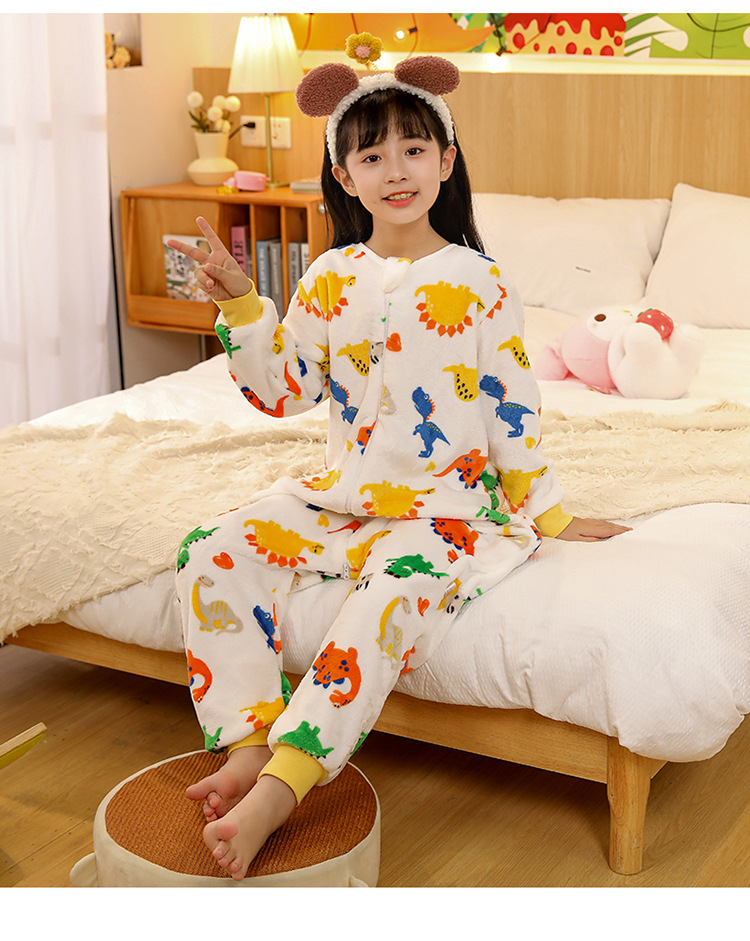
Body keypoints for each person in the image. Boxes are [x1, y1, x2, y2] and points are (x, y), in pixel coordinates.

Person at [169, 45, 630, 881]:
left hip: (447, 515)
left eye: (413, 149)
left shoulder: (481, 283)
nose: (395, 170)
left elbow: (512, 407)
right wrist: (242, 304)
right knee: (210, 549)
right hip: (341, 502)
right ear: (344, 176)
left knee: (382, 604)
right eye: (371, 155)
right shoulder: (327, 278)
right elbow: (283, 391)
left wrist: (552, 513)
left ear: (446, 160)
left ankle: (281, 783)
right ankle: (244, 742)